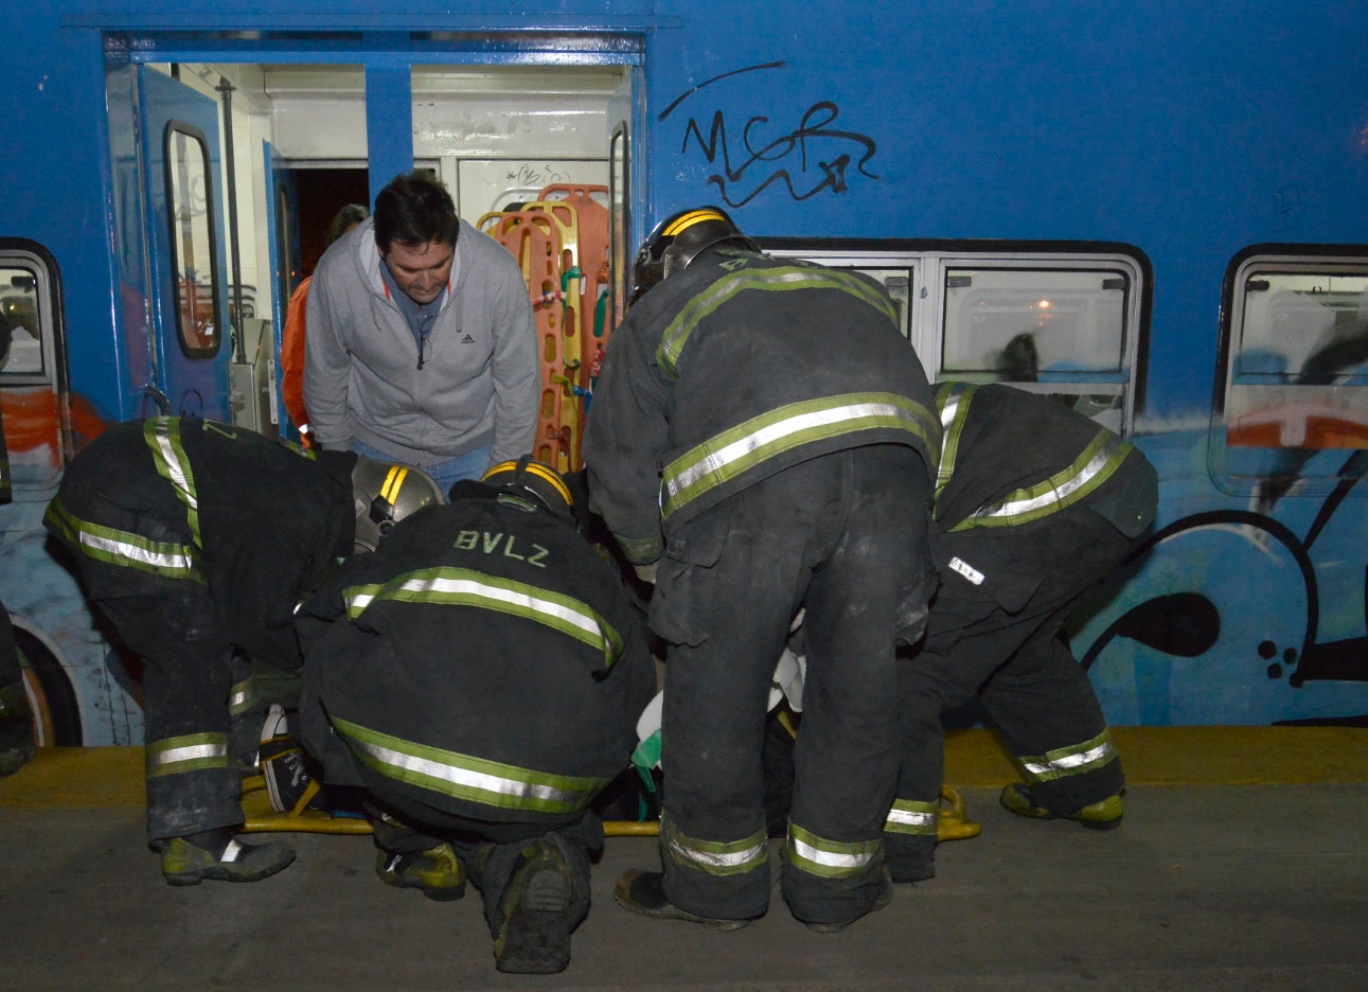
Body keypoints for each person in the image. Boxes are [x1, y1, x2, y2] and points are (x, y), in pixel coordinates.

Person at [581, 207, 940, 932]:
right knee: (856, 691)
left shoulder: (665, 311)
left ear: (671, 263)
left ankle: (715, 891)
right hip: (894, 486)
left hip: (754, 497)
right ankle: (835, 891)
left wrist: (655, 567)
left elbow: (618, 468)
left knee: (715, 692)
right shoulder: (850, 289)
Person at [42, 416, 443, 884]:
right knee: (190, 654)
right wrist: (337, 661)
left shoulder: (309, 483)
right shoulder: (301, 510)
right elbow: (265, 621)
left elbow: (247, 605)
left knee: (216, 641)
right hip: (122, 503)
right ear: (371, 517)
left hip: (117, 486)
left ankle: (255, 765)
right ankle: (197, 838)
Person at [296, 457, 655, 974]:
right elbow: (635, 695)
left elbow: (326, 608)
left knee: (335, 658)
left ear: (479, 497)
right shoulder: (587, 564)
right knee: (540, 813)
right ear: (560, 516)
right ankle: (539, 855)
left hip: (400, 765)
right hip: (534, 784)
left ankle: (416, 840)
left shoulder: (425, 528)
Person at [881, 381, 1158, 884]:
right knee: (1019, 654)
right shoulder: (882, 411)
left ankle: (898, 837)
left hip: (1060, 493)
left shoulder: (854, 452)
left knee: (908, 659)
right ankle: (1086, 791)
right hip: (1120, 489)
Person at [304, 171, 539, 490]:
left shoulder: (497, 274)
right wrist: (337, 456)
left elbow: (519, 382)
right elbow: (325, 371)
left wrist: (503, 471)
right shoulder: (337, 274)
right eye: (409, 269)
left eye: (439, 265)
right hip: (373, 451)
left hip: (473, 453)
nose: (426, 283)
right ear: (381, 250)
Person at [280, 202, 370, 447]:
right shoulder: (311, 294)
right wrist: (313, 431)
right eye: (348, 243)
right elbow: (295, 369)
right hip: (332, 436)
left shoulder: (384, 296)